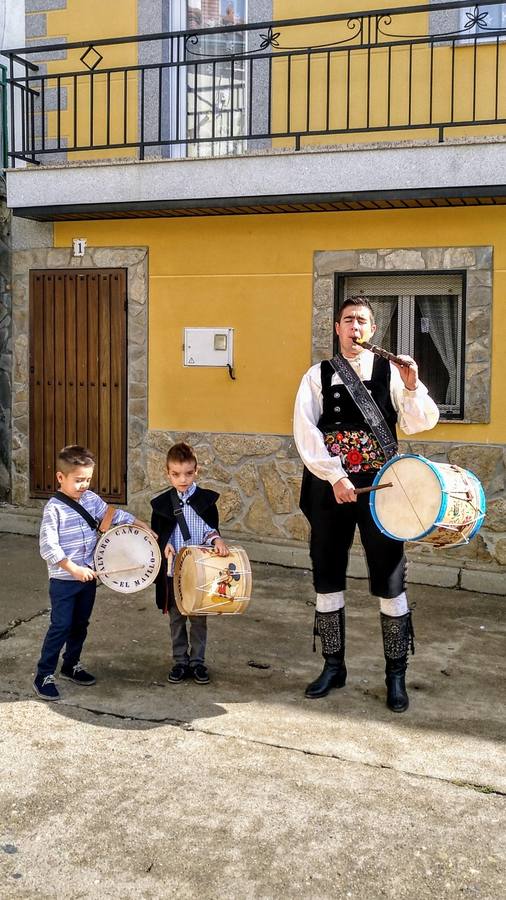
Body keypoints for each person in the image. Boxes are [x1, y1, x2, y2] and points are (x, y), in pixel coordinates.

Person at [294, 297, 439, 712]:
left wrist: (412, 385)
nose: (354, 327)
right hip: (329, 488)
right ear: (336, 328)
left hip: (383, 490)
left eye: (361, 321)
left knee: (390, 576)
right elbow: (306, 432)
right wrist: (336, 476)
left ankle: (396, 675)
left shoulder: (392, 373)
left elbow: (419, 422)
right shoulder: (316, 375)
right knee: (327, 572)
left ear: (372, 330)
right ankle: (332, 665)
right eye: (347, 320)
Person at [34, 445, 151, 701]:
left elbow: (113, 515)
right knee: (60, 626)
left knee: (80, 625)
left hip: (88, 578)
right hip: (65, 580)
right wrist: (73, 568)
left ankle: (71, 664)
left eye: (87, 479)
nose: (83, 485)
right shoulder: (53, 509)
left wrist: (139, 524)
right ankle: (44, 674)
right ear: (60, 477)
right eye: (78, 480)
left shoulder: (90, 499)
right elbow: (48, 546)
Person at [150, 441, 229, 685]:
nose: (182, 479)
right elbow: (156, 535)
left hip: (200, 573)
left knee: (198, 619)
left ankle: (197, 662)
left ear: (197, 471)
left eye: (188, 473)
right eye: (176, 474)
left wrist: (217, 539)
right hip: (174, 572)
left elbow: (210, 530)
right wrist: (164, 544)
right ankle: (179, 662)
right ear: (167, 473)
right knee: (176, 619)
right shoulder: (162, 504)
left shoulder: (205, 501)